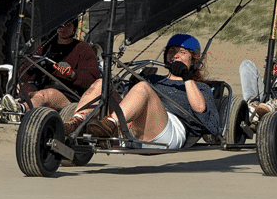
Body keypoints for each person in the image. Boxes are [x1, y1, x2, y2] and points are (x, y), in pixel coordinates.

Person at [62, 33, 220, 149]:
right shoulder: (154, 79)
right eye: (172, 50)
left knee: (144, 87)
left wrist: (187, 77)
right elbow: (127, 100)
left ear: (193, 60)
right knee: (101, 84)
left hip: (170, 131)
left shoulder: (200, 87)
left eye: (183, 52)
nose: (176, 55)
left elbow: (200, 109)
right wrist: (132, 85)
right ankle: (76, 122)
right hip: (135, 124)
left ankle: (109, 124)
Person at [1, 19, 100, 115]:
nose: (63, 28)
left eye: (68, 25)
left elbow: (92, 79)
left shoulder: (83, 48)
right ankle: (4, 106)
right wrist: (37, 64)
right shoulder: (46, 46)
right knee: (22, 87)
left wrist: (72, 74)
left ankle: (20, 110)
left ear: (74, 27)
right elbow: (25, 73)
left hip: (69, 93)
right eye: (60, 25)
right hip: (43, 86)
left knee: (44, 95)